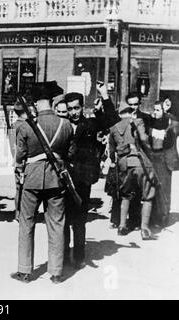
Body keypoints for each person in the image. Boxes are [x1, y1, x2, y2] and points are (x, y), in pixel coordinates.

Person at [11, 87, 73, 284]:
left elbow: (19, 156)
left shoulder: (27, 126)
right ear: (52, 103)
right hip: (57, 178)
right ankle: (56, 272)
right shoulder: (65, 124)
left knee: (26, 223)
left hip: (32, 179)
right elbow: (70, 153)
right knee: (56, 224)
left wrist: (20, 171)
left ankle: (25, 271)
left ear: (37, 104)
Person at [63, 82, 116, 269]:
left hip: (83, 179)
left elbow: (111, 119)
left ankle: (78, 256)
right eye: (70, 109)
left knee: (79, 220)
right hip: (63, 179)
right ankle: (61, 255)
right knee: (63, 219)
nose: (73, 112)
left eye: (77, 108)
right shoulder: (62, 124)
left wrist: (105, 95)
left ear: (82, 107)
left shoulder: (90, 124)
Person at [109, 103, 156, 240]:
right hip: (141, 162)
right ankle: (145, 229)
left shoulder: (114, 128)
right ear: (131, 112)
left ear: (119, 113)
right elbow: (144, 140)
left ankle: (122, 225)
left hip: (124, 164)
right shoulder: (138, 122)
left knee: (126, 195)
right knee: (148, 195)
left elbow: (112, 151)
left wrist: (115, 160)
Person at [146, 100, 179, 227]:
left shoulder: (171, 123)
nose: (155, 112)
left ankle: (162, 219)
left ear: (164, 111)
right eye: (154, 110)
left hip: (164, 159)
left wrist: (168, 114)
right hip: (152, 157)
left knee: (163, 190)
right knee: (151, 188)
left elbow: (175, 128)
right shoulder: (151, 123)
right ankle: (152, 218)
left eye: (158, 110)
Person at [9, 100, 28, 221]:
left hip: (17, 160)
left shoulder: (13, 126)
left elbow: (11, 145)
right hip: (26, 160)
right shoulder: (27, 125)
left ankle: (17, 213)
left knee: (18, 188)